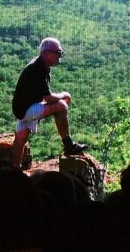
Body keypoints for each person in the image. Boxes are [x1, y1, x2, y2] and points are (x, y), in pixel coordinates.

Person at [11, 37, 88, 167]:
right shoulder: (38, 68)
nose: (60, 56)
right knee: (61, 106)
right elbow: (49, 99)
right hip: (27, 109)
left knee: (21, 138)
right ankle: (68, 145)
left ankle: (14, 171)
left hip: (21, 108)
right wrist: (65, 94)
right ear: (46, 53)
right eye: (58, 52)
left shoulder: (41, 65)